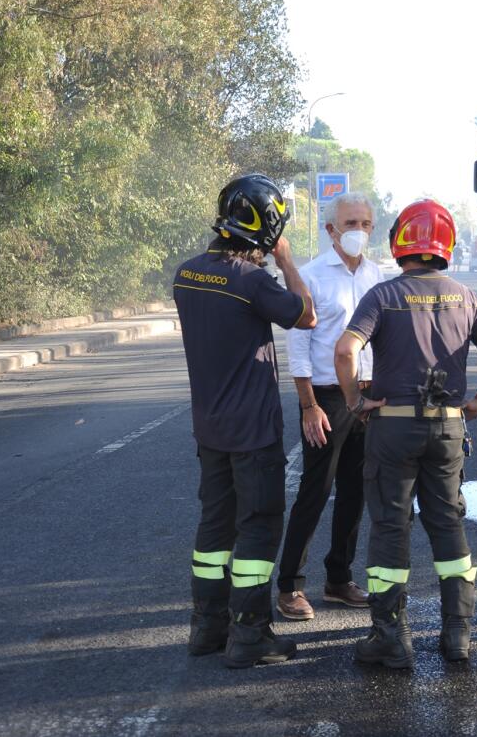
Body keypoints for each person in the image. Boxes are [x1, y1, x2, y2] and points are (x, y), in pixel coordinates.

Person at [334, 199, 477, 667]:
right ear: (446, 244)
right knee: (448, 525)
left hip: (392, 429)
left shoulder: (383, 296)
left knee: (391, 530)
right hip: (448, 428)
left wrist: (355, 402)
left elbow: (344, 350)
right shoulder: (466, 296)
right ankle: (457, 638)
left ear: (400, 243)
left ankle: (391, 639)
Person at [173, 173, 317, 669]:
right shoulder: (252, 281)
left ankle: (207, 628)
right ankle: (250, 635)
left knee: (215, 527)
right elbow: (306, 314)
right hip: (253, 433)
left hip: (209, 428)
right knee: (257, 527)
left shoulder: (186, 274)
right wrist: (287, 260)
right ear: (269, 229)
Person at [276, 193, 384, 620]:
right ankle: (290, 586)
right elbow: (299, 347)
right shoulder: (311, 277)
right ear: (331, 230)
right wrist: (308, 406)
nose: (358, 231)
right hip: (327, 397)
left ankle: (339, 579)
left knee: (356, 491)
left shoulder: (378, 276)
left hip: (368, 394)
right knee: (316, 490)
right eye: (350, 223)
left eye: (365, 223)